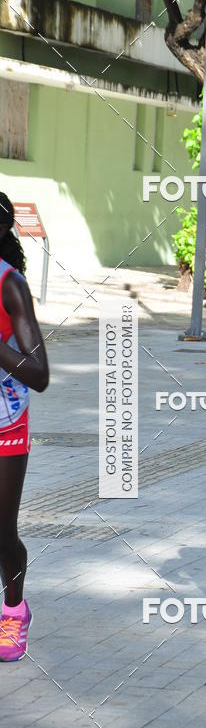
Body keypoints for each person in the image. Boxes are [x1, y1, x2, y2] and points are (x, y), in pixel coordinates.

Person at [0, 193, 49, 663]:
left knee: (1, 532)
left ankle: (14, 607)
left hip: (5, 422)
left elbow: (39, 374)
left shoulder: (10, 286)